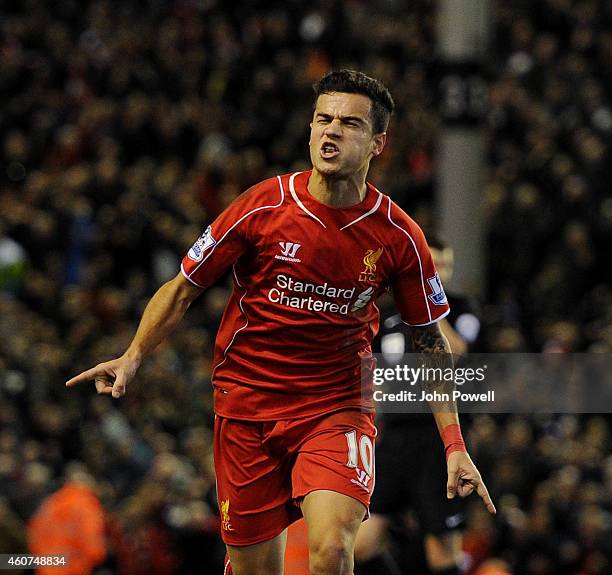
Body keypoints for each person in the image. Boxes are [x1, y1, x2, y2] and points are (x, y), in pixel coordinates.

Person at [66, 70, 495, 575]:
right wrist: (134, 355)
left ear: (378, 143)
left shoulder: (400, 236)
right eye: (323, 120)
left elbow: (430, 342)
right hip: (247, 405)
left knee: (333, 550)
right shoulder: (262, 206)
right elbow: (183, 288)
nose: (331, 132)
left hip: (336, 406)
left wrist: (454, 445)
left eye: (350, 124)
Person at [354, 235, 482, 575]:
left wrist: (428, 306)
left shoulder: (463, 308)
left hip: (437, 438)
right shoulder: (388, 316)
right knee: (361, 542)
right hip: (394, 439)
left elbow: (454, 352)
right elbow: (370, 372)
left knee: (440, 548)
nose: (439, 272)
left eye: (445, 266)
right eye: (433, 265)